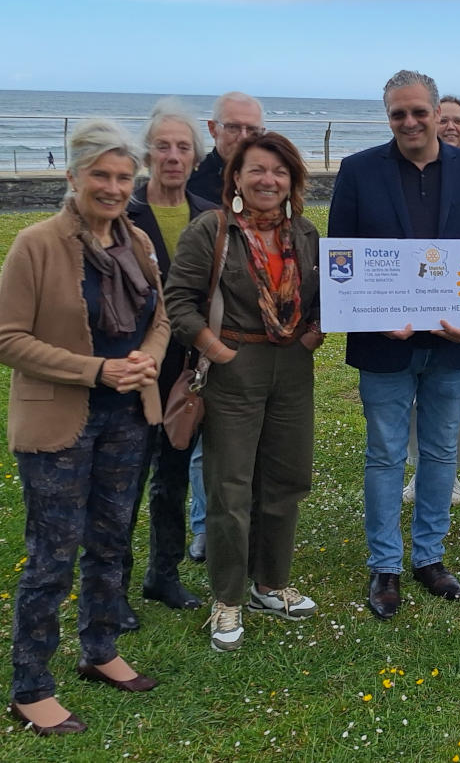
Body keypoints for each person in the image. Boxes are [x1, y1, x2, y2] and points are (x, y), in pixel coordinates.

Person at [0, 119, 169, 734]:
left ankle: (100, 651)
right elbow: (9, 338)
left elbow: (163, 313)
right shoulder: (37, 245)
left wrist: (146, 356)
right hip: (61, 421)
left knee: (112, 541)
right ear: (72, 176)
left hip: (129, 415)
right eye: (101, 174)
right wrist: (98, 370)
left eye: (125, 176)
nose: (114, 186)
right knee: (52, 554)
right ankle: (31, 686)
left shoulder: (140, 243)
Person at [328, 69, 460, 621]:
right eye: (398, 114)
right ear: (389, 117)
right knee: (383, 454)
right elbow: (340, 260)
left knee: (440, 452)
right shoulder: (359, 171)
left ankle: (429, 556)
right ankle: (385, 564)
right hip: (385, 345)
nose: (409, 121)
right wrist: (373, 315)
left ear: (436, 112)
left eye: (418, 112)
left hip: (454, 344)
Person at [165, 131, 323, 652]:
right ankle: (227, 598)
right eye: (257, 170)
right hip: (233, 365)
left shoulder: (305, 234)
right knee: (230, 487)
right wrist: (216, 347)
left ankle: (270, 584)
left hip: (293, 368)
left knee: (287, 479)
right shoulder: (210, 230)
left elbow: (331, 295)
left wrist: (317, 329)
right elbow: (179, 301)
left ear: (292, 182)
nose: (268, 180)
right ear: (235, 177)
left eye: (279, 172)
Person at [121, 98, 216, 630]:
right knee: (125, 481)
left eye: (183, 147)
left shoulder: (209, 215)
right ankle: (112, 586)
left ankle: (164, 573)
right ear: (147, 153)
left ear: (195, 155)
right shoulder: (124, 211)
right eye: (163, 146)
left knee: (174, 474)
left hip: (190, 367)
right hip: (134, 365)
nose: (173, 156)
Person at [185, 91, 264, 564]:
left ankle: (244, 520)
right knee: (204, 437)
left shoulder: (267, 173)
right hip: (206, 322)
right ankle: (203, 525)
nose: (242, 137)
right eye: (233, 127)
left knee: (250, 438)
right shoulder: (193, 177)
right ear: (212, 129)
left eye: (252, 129)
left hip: (258, 326)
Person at [401, 93, 460, 507]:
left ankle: (449, 472)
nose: (451, 127)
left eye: (458, 121)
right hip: (412, 294)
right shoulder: (408, 171)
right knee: (414, 393)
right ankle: (420, 467)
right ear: (432, 121)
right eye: (444, 119)